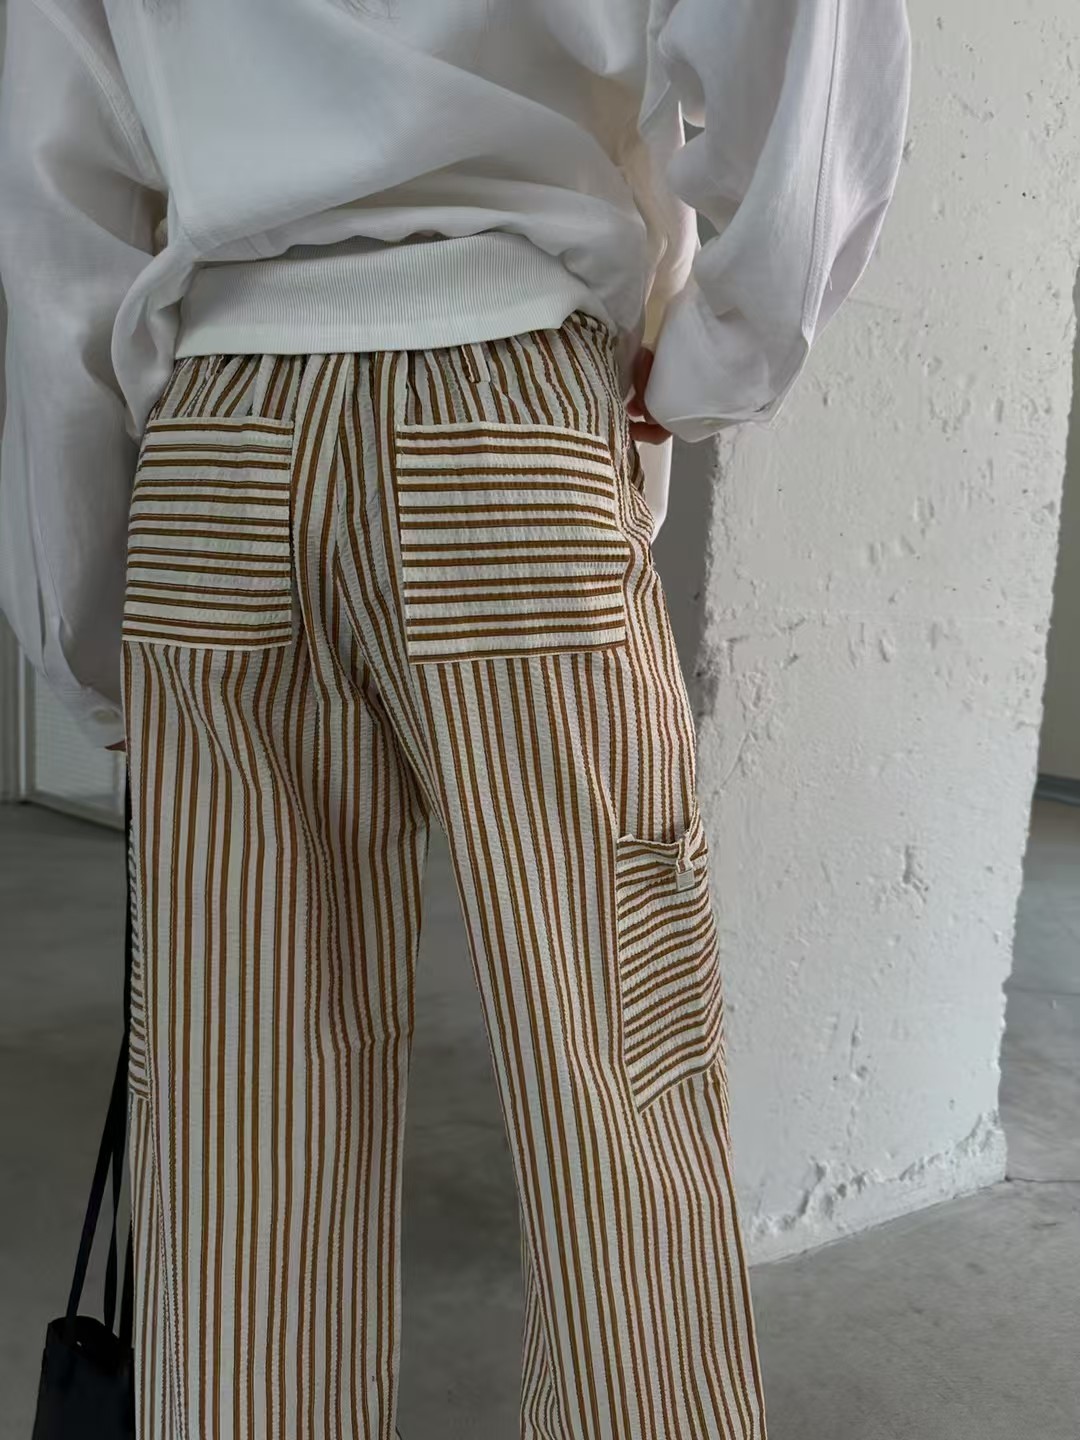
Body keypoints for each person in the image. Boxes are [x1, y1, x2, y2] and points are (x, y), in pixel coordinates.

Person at [0, 1, 911, 1436]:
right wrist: (716, 356)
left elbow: (56, 206)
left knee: (241, 1125)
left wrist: (87, 636)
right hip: (510, 409)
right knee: (615, 1080)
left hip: (217, 446)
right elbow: (805, 50)